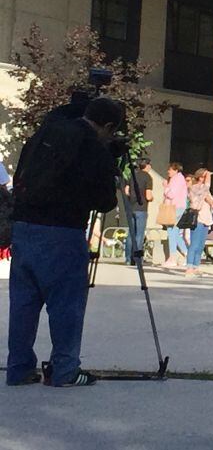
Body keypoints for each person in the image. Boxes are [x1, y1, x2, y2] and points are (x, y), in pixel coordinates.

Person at [6, 97, 125, 387]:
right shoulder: (91, 146)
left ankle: (18, 369)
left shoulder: (48, 132)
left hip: (23, 227)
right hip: (63, 232)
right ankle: (65, 370)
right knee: (66, 306)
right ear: (108, 126)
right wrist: (110, 163)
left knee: (23, 305)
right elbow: (105, 201)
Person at [184, 168, 213, 277]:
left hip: (206, 219)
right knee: (194, 244)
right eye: (206, 176)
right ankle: (189, 267)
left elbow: (212, 201)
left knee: (201, 245)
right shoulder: (194, 188)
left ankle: (196, 266)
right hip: (197, 218)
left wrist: (208, 199)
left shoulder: (205, 189)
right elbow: (204, 192)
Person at [123, 160, 153, 265]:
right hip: (142, 208)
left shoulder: (132, 176)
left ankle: (127, 258)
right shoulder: (148, 177)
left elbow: (126, 191)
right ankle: (137, 258)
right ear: (147, 166)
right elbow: (148, 195)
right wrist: (151, 198)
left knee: (131, 234)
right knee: (139, 235)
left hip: (131, 208)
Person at [161, 162, 188, 268]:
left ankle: (172, 258)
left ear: (176, 170)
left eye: (170, 169)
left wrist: (166, 187)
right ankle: (186, 253)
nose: (168, 171)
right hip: (177, 207)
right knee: (175, 232)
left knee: (172, 231)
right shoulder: (179, 179)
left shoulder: (176, 179)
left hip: (175, 207)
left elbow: (171, 194)